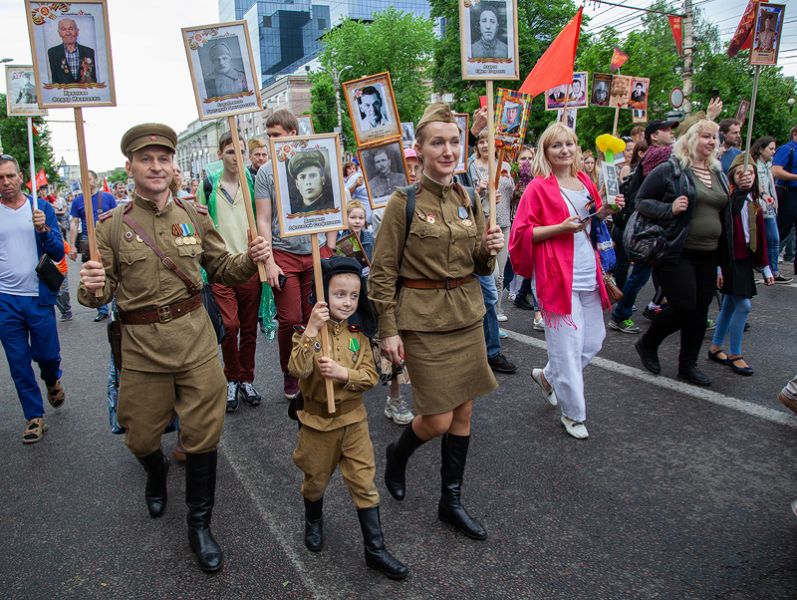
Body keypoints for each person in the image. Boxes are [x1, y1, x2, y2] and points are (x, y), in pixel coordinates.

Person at [77, 123, 271, 573]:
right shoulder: (109, 227)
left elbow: (222, 268)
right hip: (142, 348)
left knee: (205, 433)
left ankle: (199, 524)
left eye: (163, 158)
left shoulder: (195, 215)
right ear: (130, 167)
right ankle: (156, 473)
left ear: (172, 166)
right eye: (146, 159)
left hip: (195, 340)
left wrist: (253, 257)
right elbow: (99, 293)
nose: (157, 166)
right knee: (140, 434)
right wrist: (90, 288)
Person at [369, 103, 504, 540]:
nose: (448, 151)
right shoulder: (402, 203)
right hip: (423, 322)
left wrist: (489, 248)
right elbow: (383, 272)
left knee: (464, 412)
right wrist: (387, 329)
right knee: (438, 419)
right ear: (420, 149)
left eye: (453, 142)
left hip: (466, 316)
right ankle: (397, 453)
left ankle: (451, 501)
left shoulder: (469, 198)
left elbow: (479, 267)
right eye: (437, 143)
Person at [289, 256, 408, 580]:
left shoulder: (358, 334)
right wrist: (313, 329)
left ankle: (376, 549)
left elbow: (370, 377)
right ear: (323, 293)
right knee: (314, 480)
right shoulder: (307, 331)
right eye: (339, 294)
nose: (347, 302)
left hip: (353, 421)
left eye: (353, 296)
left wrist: (343, 373)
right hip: (317, 425)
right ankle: (313, 519)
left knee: (364, 482)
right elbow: (296, 369)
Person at [510, 123, 623, 440]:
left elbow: (592, 219)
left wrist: (607, 210)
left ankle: (547, 376)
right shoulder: (537, 188)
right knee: (567, 349)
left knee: (593, 341)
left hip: (589, 270)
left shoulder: (585, 180)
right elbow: (521, 235)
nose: (564, 150)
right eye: (556, 145)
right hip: (555, 276)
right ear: (546, 151)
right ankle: (573, 414)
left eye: (569, 144)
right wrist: (559, 228)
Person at [633, 119, 732, 387]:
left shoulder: (718, 173)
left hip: (709, 253)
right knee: (685, 305)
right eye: (706, 136)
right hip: (676, 250)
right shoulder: (671, 170)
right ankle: (648, 342)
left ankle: (688, 365)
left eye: (715, 138)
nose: (712, 142)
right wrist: (670, 208)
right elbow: (641, 201)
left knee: (700, 310)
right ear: (691, 139)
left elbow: (723, 211)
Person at [254, 108, 336, 400]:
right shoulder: (265, 173)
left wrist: (329, 246)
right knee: (289, 319)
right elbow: (263, 219)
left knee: (313, 315)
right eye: (268, 135)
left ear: (292, 134)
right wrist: (270, 262)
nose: (270, 141)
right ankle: (291, 372)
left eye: (276, 135)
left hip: (313, 252)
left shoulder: (315, 161)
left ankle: (311, 367)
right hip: (283, 254)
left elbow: (331, 206)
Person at [0, 154, 65, 444]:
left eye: (10, 176)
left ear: (21, 177)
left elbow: (58, 252)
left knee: (48, 356)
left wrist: (44, 229)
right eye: (0, 178)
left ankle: (52, 379)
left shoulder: (41, 208)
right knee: (17, 362)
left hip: (38, 297)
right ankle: (34, 416)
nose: (6, 182)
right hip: (5, 301)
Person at [197, 131, 264, 412]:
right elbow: (201, 224)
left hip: (249, 265)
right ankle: (231, 378)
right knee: (231, 325)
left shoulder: (253, 183)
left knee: (248, 329)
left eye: (239, 152)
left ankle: (246, 379)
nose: (235, 158)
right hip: (222, 268)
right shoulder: (209, 186)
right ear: (220, 155)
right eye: (229, 152)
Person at [707, 154, 774, 376]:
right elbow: (719, 235)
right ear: (733, 177)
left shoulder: (754, 203)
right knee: (743, 306)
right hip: (729, 260)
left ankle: (716, 346)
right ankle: (735, 353)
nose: (747, 177)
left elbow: (761, 238)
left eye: (751, 173)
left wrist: (765, 267)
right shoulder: (729, 200)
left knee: (728, 305)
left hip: (744, 259)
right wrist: (717, 267)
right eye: (741, 173)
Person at [468, 129, 514, 324]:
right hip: (484, 223)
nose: (485, 145)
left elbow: (511, 191)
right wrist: (482, 192)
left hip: (503, 222)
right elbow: (468, 197)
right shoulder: (473, 166)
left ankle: (496, 311)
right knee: (489, 272)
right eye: (481, 142)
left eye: (489, 141)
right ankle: (485, 314)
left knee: (501, 274)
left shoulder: (504, 165)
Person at [68, 169, 116, 321]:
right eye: (83, 179)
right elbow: (74, 223)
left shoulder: (107, 197)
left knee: (113, 271)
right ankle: (102, 308)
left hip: (109, 240)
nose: (86, 182)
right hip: (89, 241)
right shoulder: (77, 201)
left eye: (88, 179)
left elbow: (117, 218)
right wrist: (72, 245)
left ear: (95, 180)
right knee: (95, 272)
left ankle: (116, 308)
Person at [752, 136, 791, 283]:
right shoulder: (754, 164)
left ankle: (774, 270)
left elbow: (771, 185)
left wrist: (775, 199)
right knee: (756, 239)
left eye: (774, 148)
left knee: (774, 238)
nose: (773, 152)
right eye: (771, 148)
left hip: (769, 206)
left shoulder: (768, 164)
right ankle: (755, 268)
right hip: (758, 206)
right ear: (761, 149)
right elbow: (757, 186)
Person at [773, 125, 797, 279]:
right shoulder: (787, 149)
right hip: (789, 193)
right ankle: (769, 262)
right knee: (783, 228)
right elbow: (776, 170)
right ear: (795, 134)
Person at [48, 18, 96, 84]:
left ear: (77, 31)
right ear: (59, 33)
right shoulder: (52, 53)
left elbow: (92, 79)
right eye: (63, 29)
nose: (68, 33)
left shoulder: (89, 52)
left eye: (71, 29)